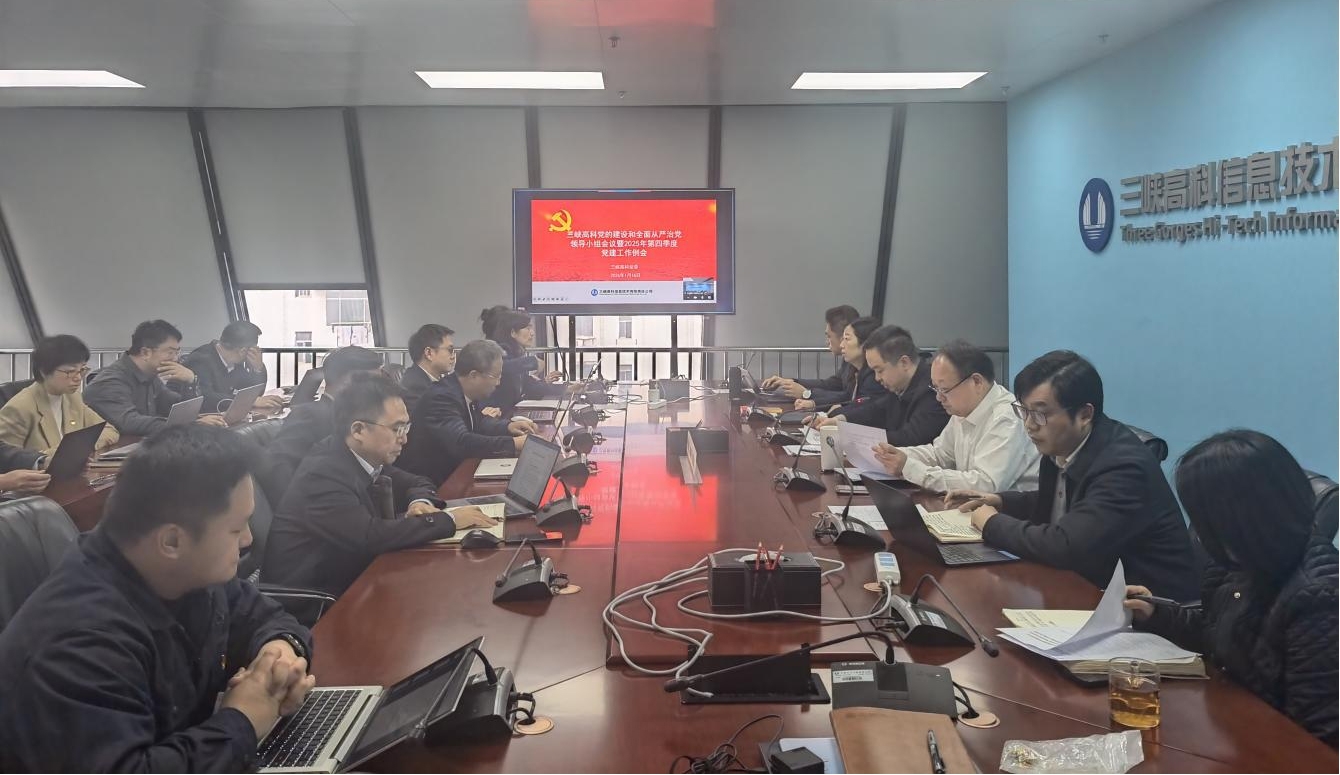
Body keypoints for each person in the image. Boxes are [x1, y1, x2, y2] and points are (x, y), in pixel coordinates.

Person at [0, 425, 315, 771]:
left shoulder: (184, 572)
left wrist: (279, 655)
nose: (248, 541)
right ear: (172, 542)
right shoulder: (81, 646)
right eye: (236, 529)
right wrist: (244, 719)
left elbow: (265, 616)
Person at [1125, 430, 1338, 746]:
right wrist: (1157, 614)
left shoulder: (1319, 598)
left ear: (1238, 519)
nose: (1198, 532)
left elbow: (1318, 740)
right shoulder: (1238, 563)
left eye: (1202, 519)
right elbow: (1220, 633)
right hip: (1228, 727)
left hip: (1267, 751)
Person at [948, 351, 1199, 600]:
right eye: (1024, 411)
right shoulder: (1063, 445)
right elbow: (1064, 502)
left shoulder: (1123, 467)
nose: (1029, 425)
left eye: (1040, 414)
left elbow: (1066, 546)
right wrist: (1001, 501)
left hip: (1149, 609)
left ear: (1084, 414)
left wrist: (991, 523)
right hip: (1089, 588)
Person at [263, 373, 499, 597]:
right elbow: (369, 536)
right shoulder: (323, 474)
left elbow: (418, 481)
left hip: (356, 578)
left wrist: (419, 502)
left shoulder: (361, 456)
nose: (404, 439)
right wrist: (450, 520)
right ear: (358, 430)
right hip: (317, 601)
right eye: (396, 429)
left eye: (406, 427)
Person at [873, 339, 1038, 492]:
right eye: (935, 388)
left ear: (977, 382)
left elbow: (986, 484)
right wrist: (894, 455)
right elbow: (940, 455)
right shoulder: (963, 409)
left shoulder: (1006, 418)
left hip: (1011, 511)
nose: (939, 398)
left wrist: (910, 469)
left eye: (944, 389)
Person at [398, 340, 538, 486]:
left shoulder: (462, 390)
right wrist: (513, 444)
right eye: (496, 376)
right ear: (474, 375)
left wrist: (508, 427)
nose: (498, 383)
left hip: (455, 472)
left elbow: (479, 422)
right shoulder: (442, 397)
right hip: (432, 483)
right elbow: (461, 442)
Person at [258, 346, 385, 506]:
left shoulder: (354, 416)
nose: (379, 391)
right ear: (348, 381)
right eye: (374, 383)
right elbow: (279, 468)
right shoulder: (309, 415)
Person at [84, 320, 228, 436]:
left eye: (177, 352)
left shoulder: (150, 376)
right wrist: (190, 424)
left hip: (142, 448)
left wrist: (191, 381)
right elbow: (130, 422)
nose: (176, 359)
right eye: (170, 352)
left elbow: (175, 408)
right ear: (145, 353)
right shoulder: (111, 381)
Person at [813, 325, 948, 446]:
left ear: (904, 363)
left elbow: (910, 438)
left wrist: (856, 438)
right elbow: (877, 409)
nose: (877, 378)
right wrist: (840, 421)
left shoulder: (933, 391)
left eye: (880, 370)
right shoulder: (900, 386)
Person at [0, 334, 119, 455]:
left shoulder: (71, 397)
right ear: (44, 371)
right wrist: (64, 453)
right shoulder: (19, 408)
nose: (78, 378)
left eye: (82, 370)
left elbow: (109, 430)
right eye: (70, 372)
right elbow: (6, 459)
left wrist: (83, 447)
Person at [761, 304, 860, 408]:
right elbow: (833, 384)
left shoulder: (863, 367)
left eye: (829, 336)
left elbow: (848, 398)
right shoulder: (848, 361)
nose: (827, 342)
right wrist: (791, 382)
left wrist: (806, 394)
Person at [178, 320, 282, 415]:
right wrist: (249, 401)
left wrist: (258, 368)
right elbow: (206, 397)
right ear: (243, 351)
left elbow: (253, 393)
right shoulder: (201, 360)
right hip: (204, 420)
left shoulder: (235, 362)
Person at [479, 306, 565, 412]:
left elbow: (529, 387)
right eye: (527, 328)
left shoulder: (514, 353)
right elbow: (500, 366)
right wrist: (532, 362)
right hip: (495, 415)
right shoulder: (497, 351)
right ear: (512, 332)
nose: (532, 333)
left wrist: (566, 388)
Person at [808, 316, 887, 416]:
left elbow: (866, 411)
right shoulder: (854, 368)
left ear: (865, 344)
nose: (841, 345)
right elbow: (848, 397)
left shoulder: (873, 377)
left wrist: (839, 412)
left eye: (847, 339)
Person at [400, 323, 456, 416]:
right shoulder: (416, 388)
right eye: (450, 350)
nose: (453, 356)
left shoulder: (434, 380)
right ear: (429, 353)